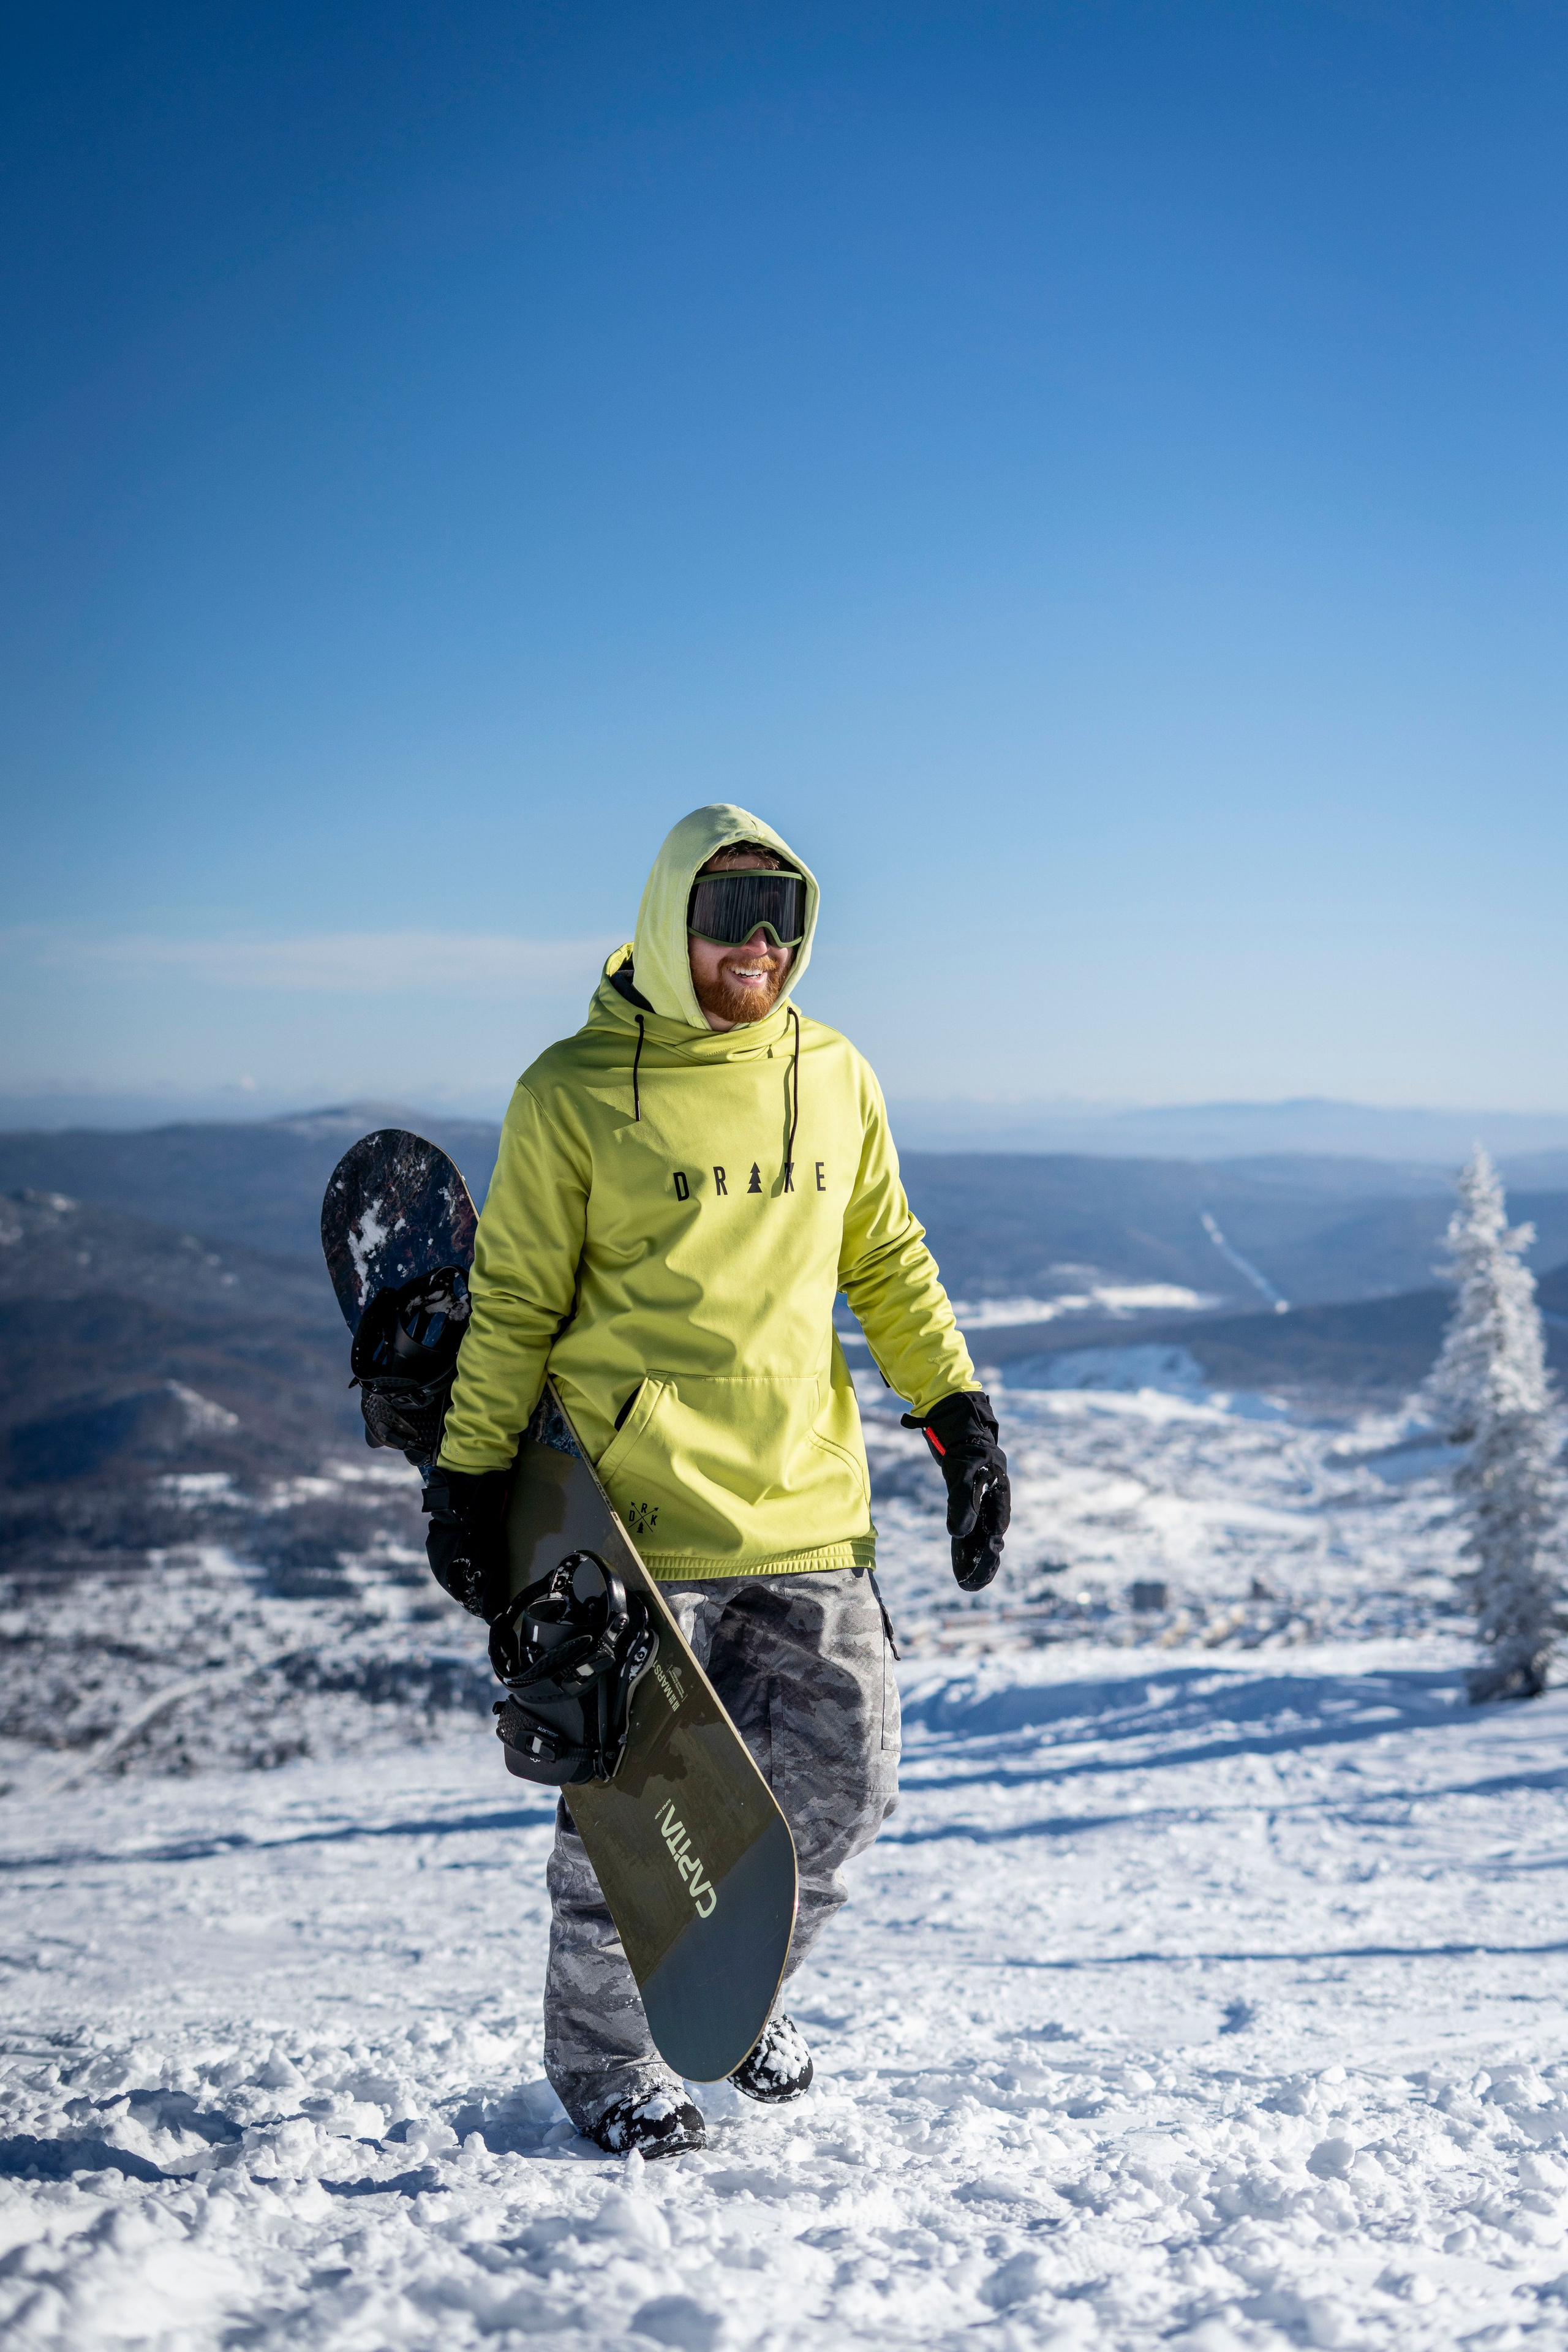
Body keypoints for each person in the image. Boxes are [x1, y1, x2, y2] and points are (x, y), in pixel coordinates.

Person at [424, 803, 1010, 2157]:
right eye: (727, 912)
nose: (758, 943)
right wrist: (468, 1477)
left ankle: (730, 2001)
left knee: (846, 1786)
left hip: (807, 1504)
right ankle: (604, 2062)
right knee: (630, 1815)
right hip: (634, 1520)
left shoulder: (835, 1072)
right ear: (664, 918)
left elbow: (885, 1258)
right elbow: (514, 1304)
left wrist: (957, 1414)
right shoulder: (571, 1091)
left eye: (782, 914)